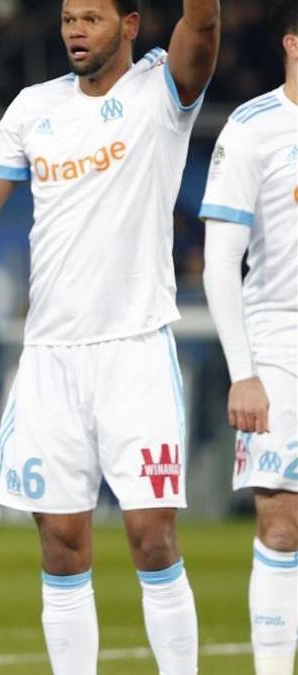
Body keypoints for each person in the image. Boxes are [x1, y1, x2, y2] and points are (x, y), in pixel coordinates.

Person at [0, 1, 218, 673]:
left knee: (152, 534)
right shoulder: (33, 106)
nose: (73, 30)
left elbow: (203, 28)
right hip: (51, 355)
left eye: (91, 17)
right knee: (61, 540)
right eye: (67, 17)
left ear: (131, 24)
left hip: (134, 347)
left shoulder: (161, 91)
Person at [199, 3, 298, 672]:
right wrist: (243, 371)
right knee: (281, 517)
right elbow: (217, 262)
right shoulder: (253, 129)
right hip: (279, 345)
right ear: (293, 42)